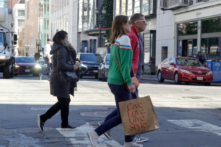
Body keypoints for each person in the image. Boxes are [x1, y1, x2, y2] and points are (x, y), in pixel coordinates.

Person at [87, 15, 142, 147]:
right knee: (123, 114)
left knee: (124, 111)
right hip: (120, 81)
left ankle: (129, 142)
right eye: (128, 23)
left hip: (113, 79)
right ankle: (95, 133)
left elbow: (116, 64)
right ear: (123, 24)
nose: (130, 25)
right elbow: (125, 66)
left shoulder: (116, 39)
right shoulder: (125, 39)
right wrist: (129, 83)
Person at [37, 31, 79, 131]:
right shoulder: (61, 49)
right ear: (62, 40)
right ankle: (43, 117)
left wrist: (72, 49)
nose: (68, 40)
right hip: (60, 78)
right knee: (64, 100)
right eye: (66, 38)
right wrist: (73, 67)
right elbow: (61, 65)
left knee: (64, 100)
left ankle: (64, 124)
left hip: (60, 77)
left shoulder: (62, 48)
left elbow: (72, 58)